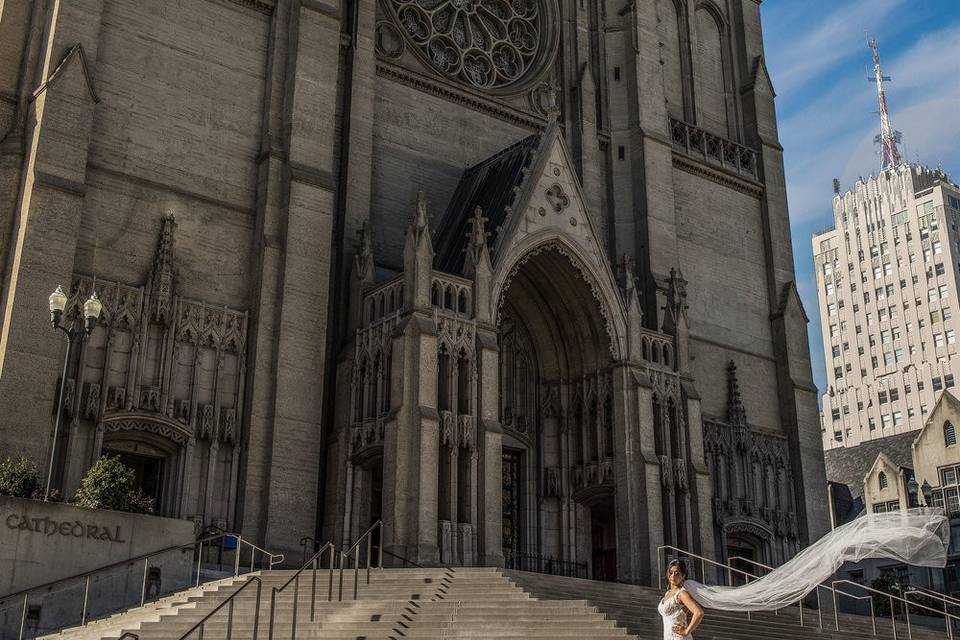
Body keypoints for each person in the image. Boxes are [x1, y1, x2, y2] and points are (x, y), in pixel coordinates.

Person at [658, 559, 704, 639]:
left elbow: (699, 613)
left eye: (677, 573)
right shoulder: (668, 593)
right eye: (671, 572)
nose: (673, 576)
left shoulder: (682, 593)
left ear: (683, 576)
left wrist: (686, 631)